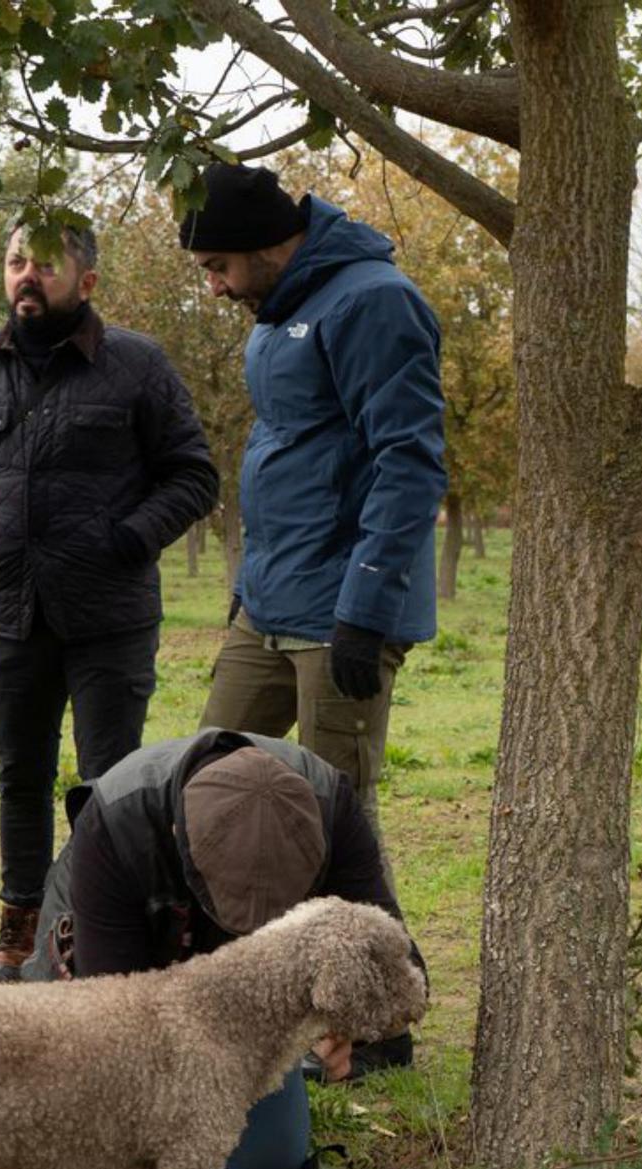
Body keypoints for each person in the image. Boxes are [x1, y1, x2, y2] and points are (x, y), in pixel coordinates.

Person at [0, 222, 219, 986]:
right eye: (16, 261)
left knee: (111, 782)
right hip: (10, 611)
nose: (27, 276)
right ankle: (17, 939)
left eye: (45, 266)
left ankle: (100, 936)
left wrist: (128, 539)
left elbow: (193, 475)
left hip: (108, 617)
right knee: (20, 776)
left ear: (86, 282)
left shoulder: (136, 364)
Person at [19, 729, 427, 1169]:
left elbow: (398, 965)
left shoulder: (331, 805)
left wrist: (345, 1023)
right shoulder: (118, 824)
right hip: (122, 978)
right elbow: (118, 1039)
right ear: (175, 834)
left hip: (238, 1007)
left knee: (268, 1162)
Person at [179, 163, 446, 882]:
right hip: (271, 601)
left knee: (337, 814)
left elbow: (410, 462)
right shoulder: (275, 314)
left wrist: (364, 609)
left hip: (342, 612)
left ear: (267, 243)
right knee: (208, 783)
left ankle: (380, 981)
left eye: (218, 266)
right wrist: (250, 586)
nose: (215, 287)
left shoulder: (372, 302)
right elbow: (289, 451)